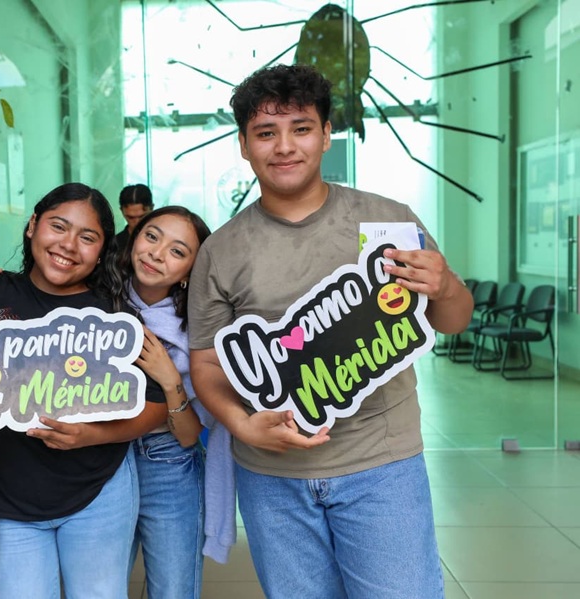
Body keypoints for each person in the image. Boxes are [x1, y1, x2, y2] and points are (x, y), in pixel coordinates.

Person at [187, 64, 474, 599]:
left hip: (382, 465)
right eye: (265, 132)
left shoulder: (388, 221)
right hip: (271, 476)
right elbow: (206, 364)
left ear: (325, 135)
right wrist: (243, 427)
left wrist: (447, 286)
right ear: (244, 146)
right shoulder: (220, 250)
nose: (284, 146)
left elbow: (452, 320)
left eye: (300, 128)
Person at [0, 182, 168, 599]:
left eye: (87, 237)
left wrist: (91, 435)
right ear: (32, 225)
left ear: (102, 249)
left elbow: (155, 407)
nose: (69, 245)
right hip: (7, 501)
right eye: (58, 226)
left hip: (99, 492)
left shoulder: (114, 316)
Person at [118, 206, 216, 598]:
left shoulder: (199, 327)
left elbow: (190, 436)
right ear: (134, 238)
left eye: (177, 251)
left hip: (167, 460)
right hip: (101, 459)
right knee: (96, 587)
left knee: (173, 590)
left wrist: (170, 378)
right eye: (152, 236)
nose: (157, 254)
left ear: (191, 271)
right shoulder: (95, 300)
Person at [114, 183, 154, 252]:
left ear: (152, 208)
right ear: (122, 211)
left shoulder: (165, 240)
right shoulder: (114, 245)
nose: (137, 222)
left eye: (142, 216)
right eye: (130, 217)